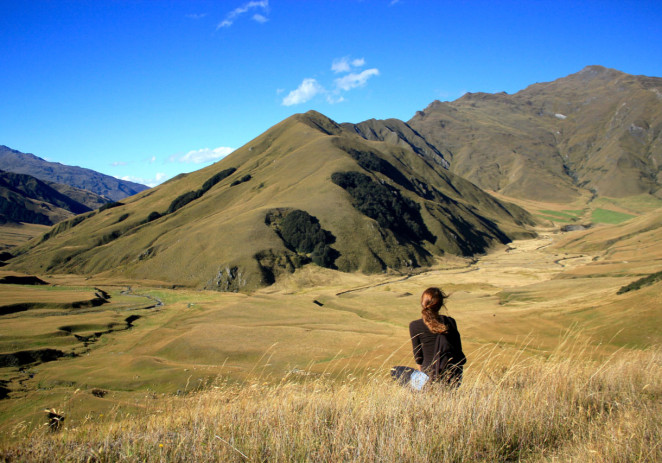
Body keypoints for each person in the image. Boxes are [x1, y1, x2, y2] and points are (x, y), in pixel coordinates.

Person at [408, 287, 466, 387]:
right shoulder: (450, 322)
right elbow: (458, 351)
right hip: (451, 376)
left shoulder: (414, 326)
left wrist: (421, 383)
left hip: (427, 375)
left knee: (399, 373)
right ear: (440, 305)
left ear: (423, 303)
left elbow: (418, 358)